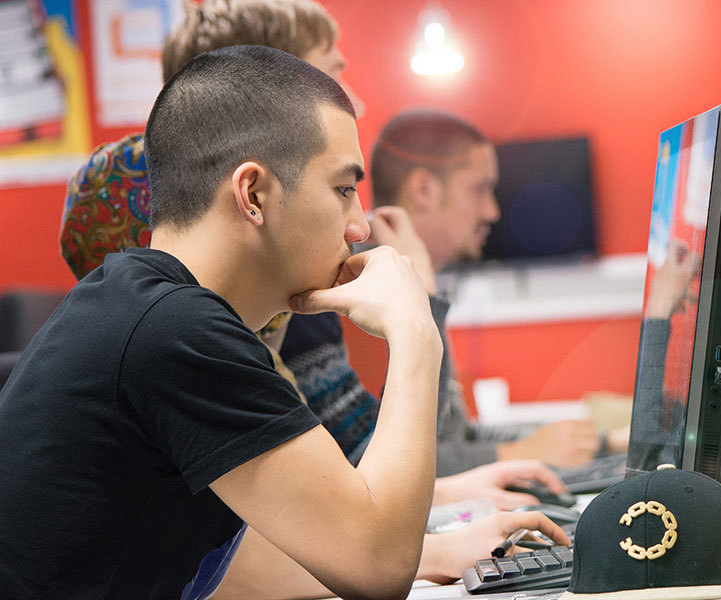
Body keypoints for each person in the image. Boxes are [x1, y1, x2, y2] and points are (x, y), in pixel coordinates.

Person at [0, 46, 566, 599]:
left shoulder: (140, 303)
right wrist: (416, 332)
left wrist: (438, 554)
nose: (359, 227)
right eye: (343, 189)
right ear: (252, 194)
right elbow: (378, 567)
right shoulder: (176, 331)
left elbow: (239, 567)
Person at [289, 110, 630, 476]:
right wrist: (516, 453)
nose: (493, 211)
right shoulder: (342, 294)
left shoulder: (396, 282)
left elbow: (452, 436)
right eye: (480, 189)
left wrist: (599, 443)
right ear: (424, 190)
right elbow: (390, 463)